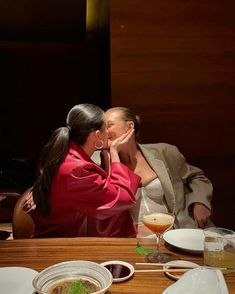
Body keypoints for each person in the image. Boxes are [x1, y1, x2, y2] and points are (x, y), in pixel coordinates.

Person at [92, 106, 214, 236]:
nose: (104, 131)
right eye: (101, 127)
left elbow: (196, 177)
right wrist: (112, 155)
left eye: (109, 125)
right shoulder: (97, 163)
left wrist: (200, 203)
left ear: (129, 126)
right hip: (130, 239)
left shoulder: (164, 152)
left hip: (173, 234)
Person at [30, 103, 140, 238]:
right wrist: (115, 153)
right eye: (107, 127)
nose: (109, 133)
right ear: (97, 135)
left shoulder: (67, 154)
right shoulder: (77, 169)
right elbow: (122, 199)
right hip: (59, 242)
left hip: (68, 235)